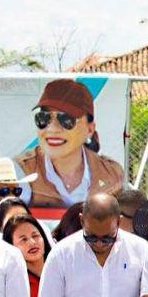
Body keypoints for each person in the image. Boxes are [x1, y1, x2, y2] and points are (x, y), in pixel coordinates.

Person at [14, 80, 124, 209]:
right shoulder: (20, 172)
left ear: (90, 129)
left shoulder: (112, 174)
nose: (52, 129)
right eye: (43, 118)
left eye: (66, 119)